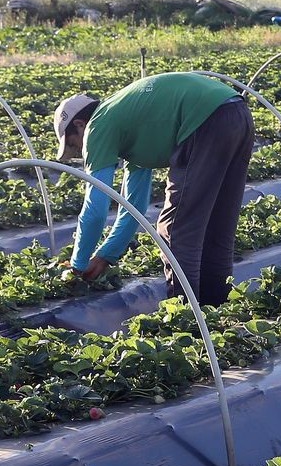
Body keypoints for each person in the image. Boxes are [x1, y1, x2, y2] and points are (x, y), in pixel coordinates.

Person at [54, 71, 255, 306]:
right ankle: (216, 310)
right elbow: (134, 208)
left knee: (175, 229)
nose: (79, 151)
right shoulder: (128, 123)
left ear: (80, 125)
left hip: (204, 119)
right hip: (236, 112)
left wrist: (77, 265)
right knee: (217, 225)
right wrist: (106, 255)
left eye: (72, 143)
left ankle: (186, 317)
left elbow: (96, 208)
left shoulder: (98, 126)